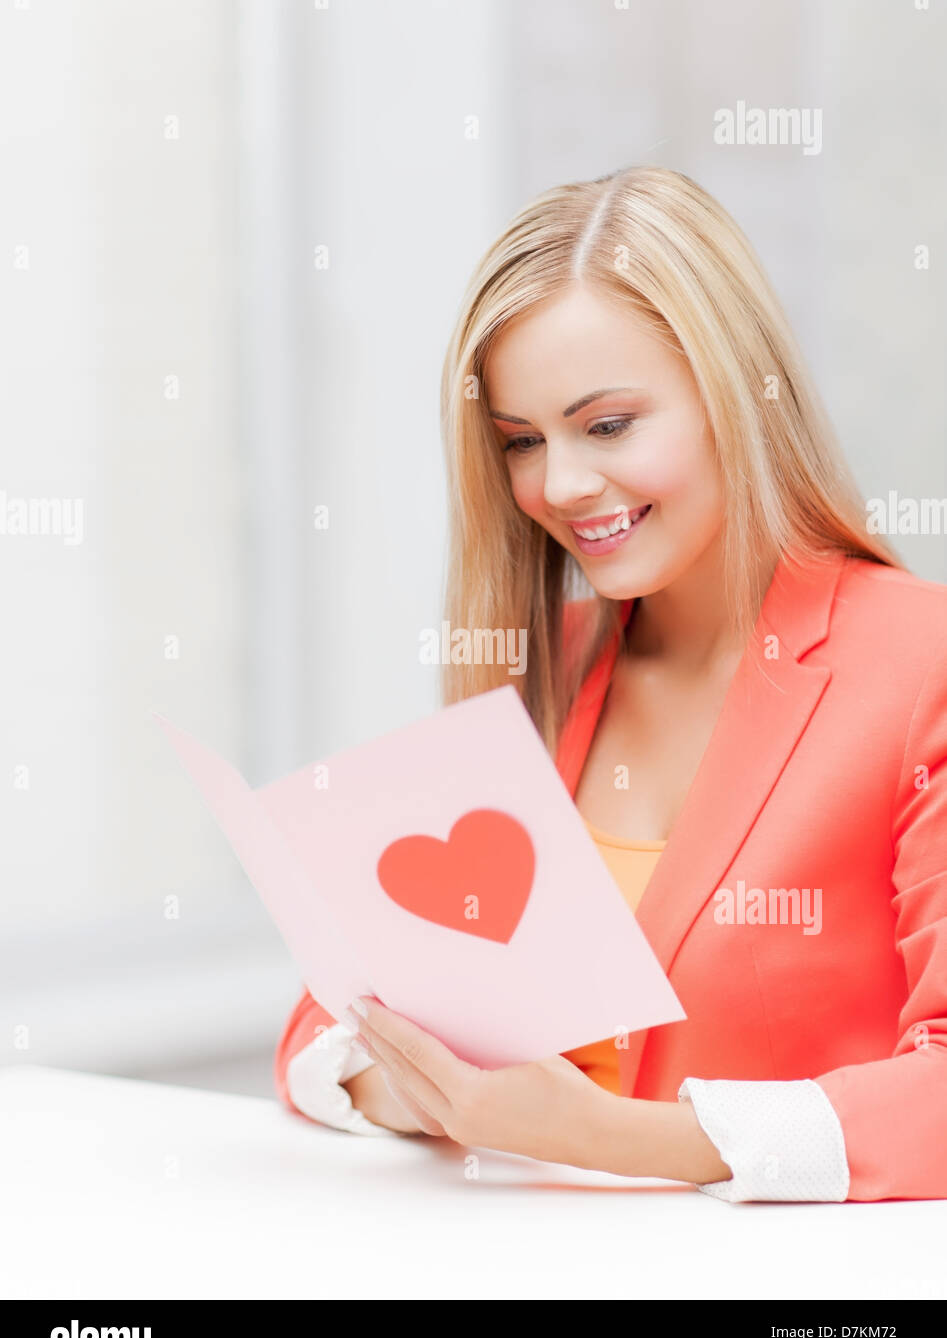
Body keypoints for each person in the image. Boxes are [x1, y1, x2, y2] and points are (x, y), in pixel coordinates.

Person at [273, 166, 947, 1203]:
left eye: (607, 424)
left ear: (734, 395)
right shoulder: (549, 659)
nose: (561, 485)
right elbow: (329, 1023)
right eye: (521, 442)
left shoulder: (917, 663)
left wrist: (615, 1138)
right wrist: (439, 1090)